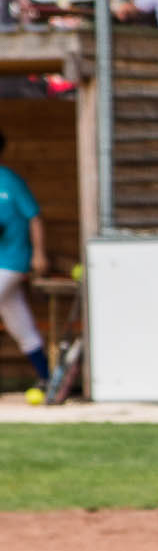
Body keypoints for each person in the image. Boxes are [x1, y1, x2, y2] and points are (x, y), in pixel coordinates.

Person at [0, 130, 49, 394]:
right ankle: (46, 378)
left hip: (12, 261)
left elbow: (35, 216)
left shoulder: (9, 181)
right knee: (20, 323)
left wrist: (39, 254)